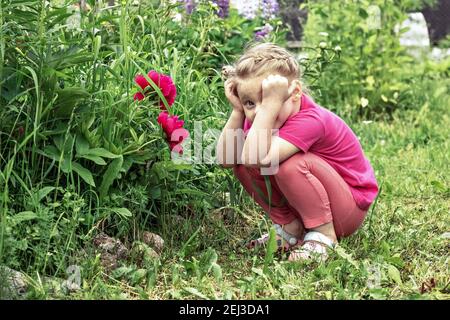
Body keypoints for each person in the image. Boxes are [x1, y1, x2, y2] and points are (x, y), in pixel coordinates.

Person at [217, 42, 378, 262]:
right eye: (250, 103)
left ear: (295, 93)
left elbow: (257, 158)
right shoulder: (261, 119)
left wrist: (268, 107)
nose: (258, 112)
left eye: (269, 100)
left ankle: (324, 236)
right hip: (309, 206)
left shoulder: (310, 120)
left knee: (287, 164)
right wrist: (237, 111)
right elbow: (227, 160)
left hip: (346, 209)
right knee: (243, 160)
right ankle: (290, 229)